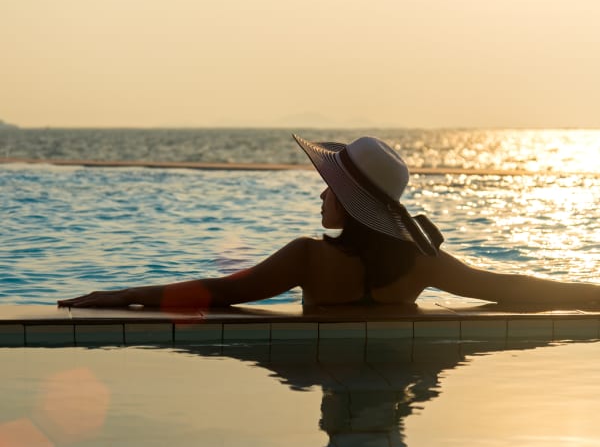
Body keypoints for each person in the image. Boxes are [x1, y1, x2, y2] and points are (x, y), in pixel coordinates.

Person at [57, 134, 600, 311]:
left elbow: (216, 294)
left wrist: (110, 296)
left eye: (331, 188)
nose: (322, 193)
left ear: (350, 202)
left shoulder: (307, 257)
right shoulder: (417, 262)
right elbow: (510, 288)